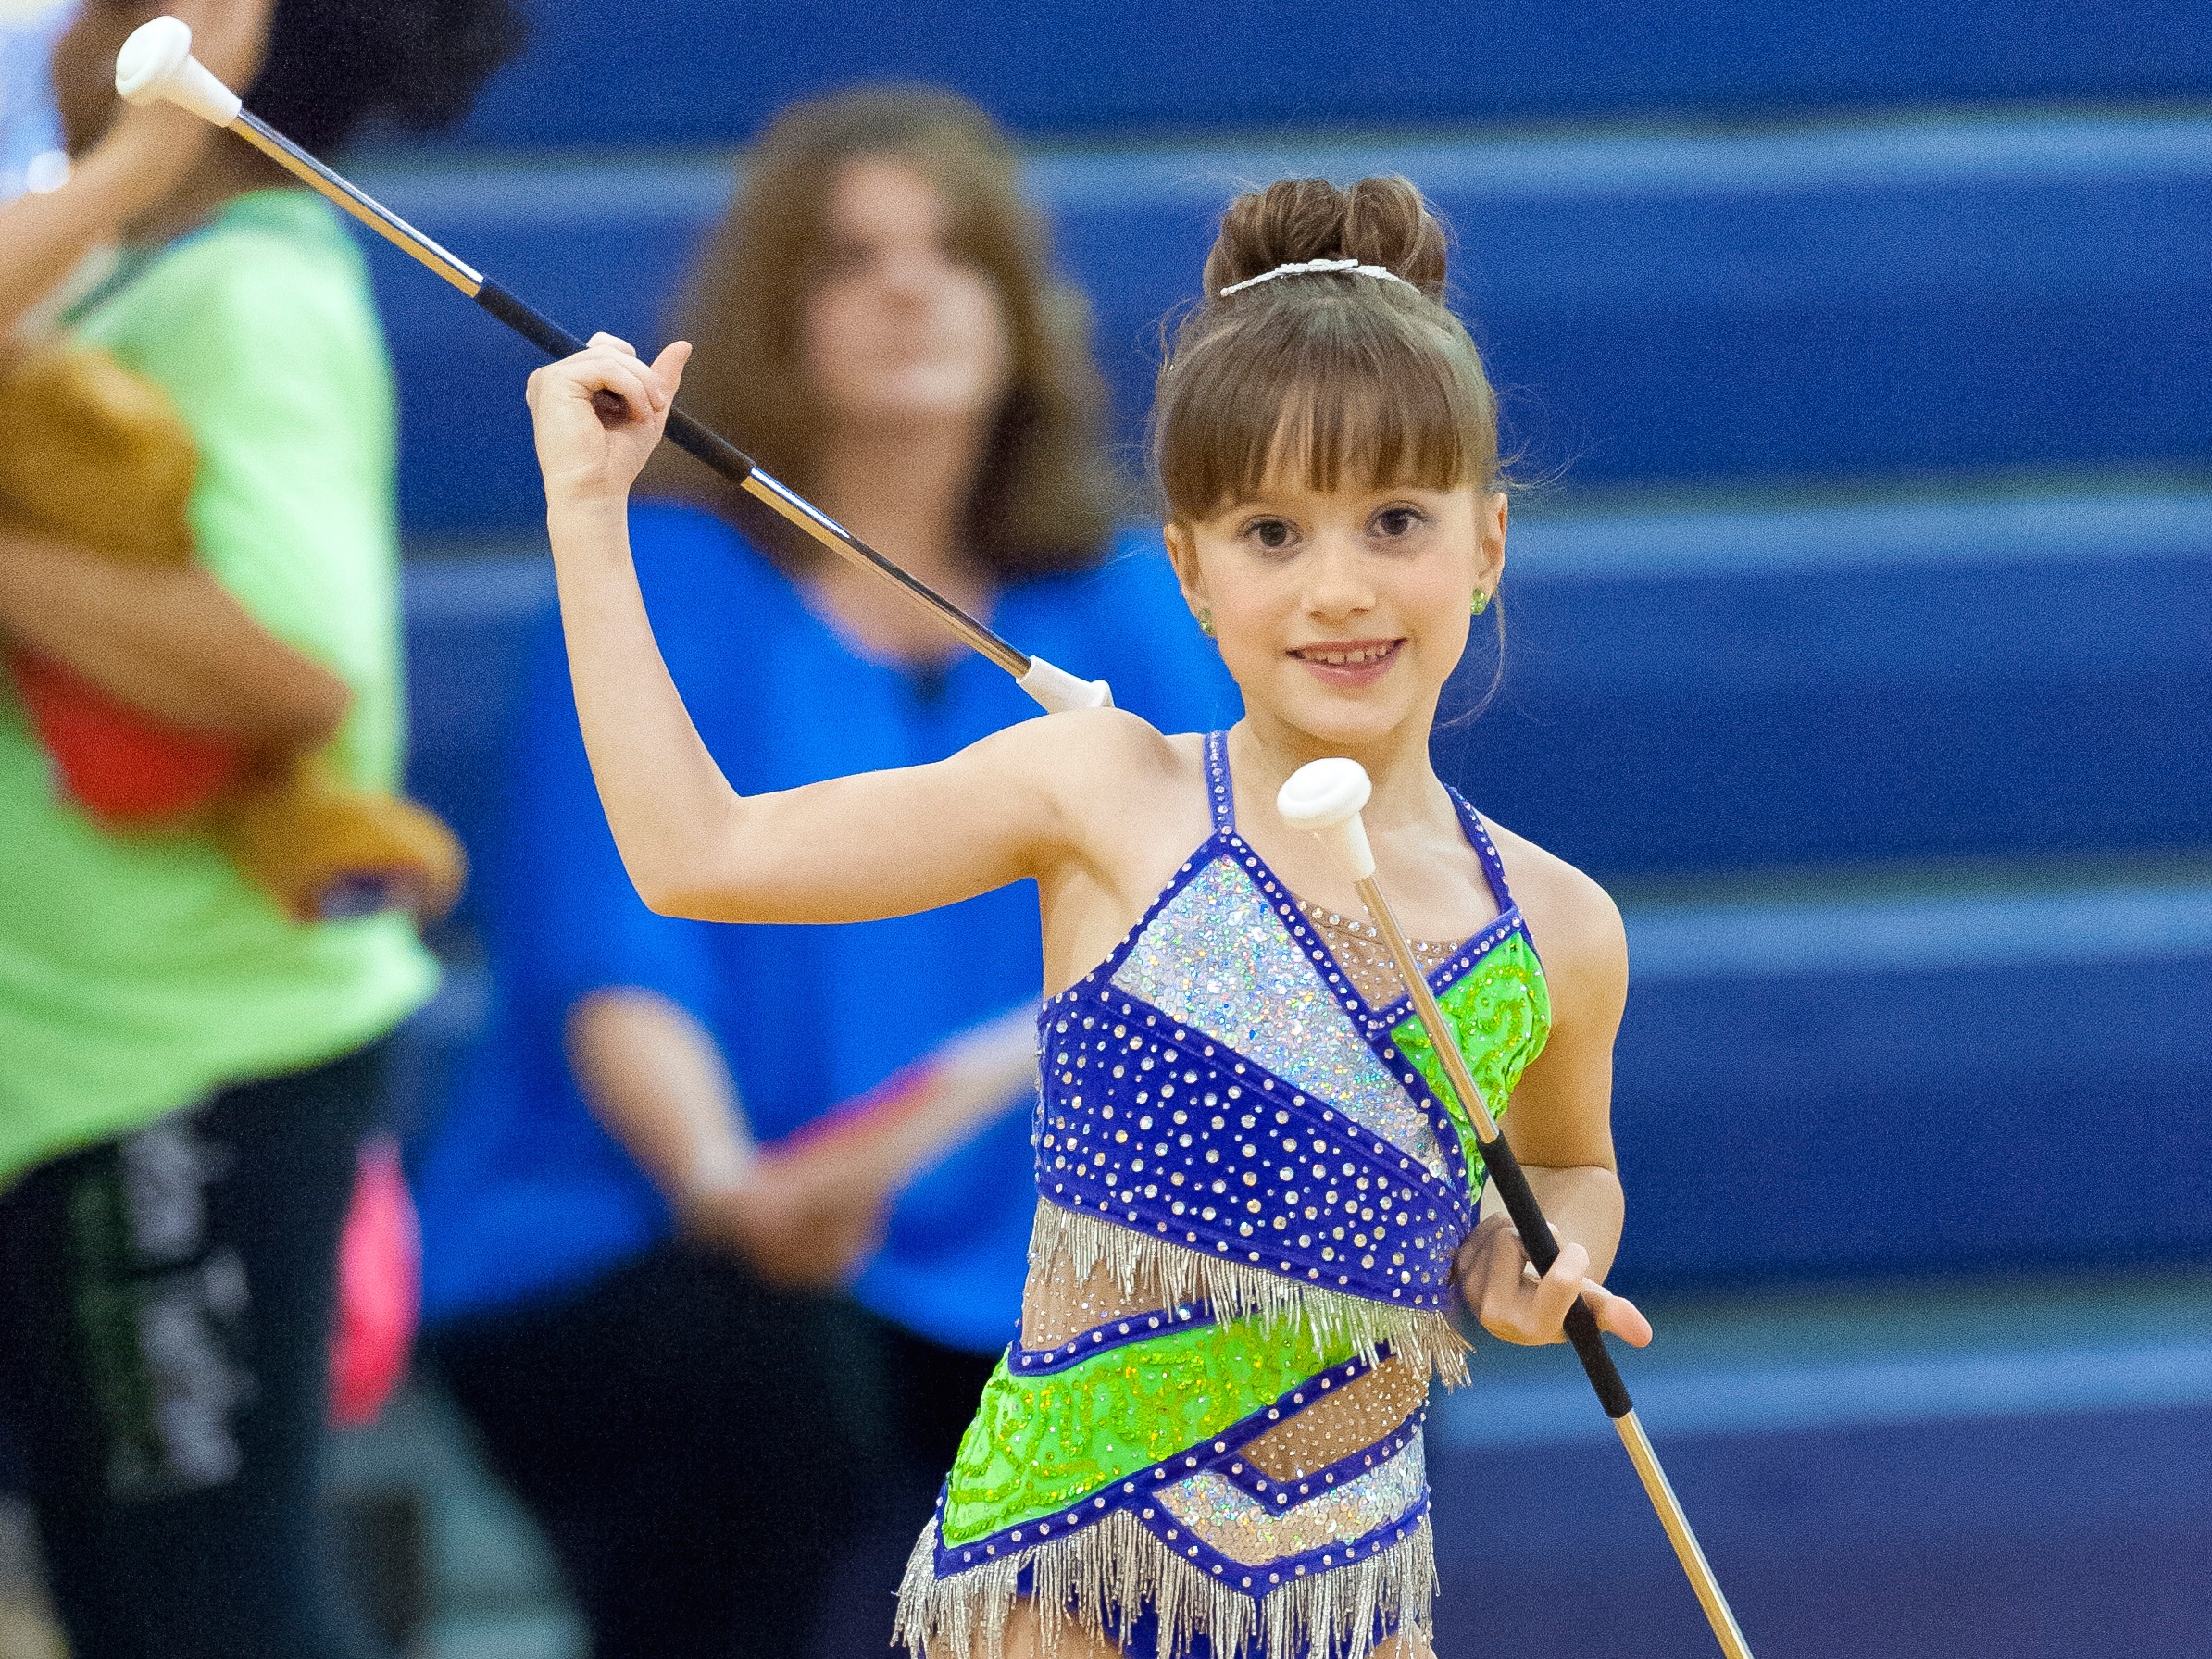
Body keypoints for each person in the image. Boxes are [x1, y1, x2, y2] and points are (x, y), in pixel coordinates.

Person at [518, 170, 1657, 1659]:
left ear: (1485, 543)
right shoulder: (1099, 792)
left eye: (1393, 520)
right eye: (1269, 534)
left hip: (1353, 1589)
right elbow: (702, 855)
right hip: (1063, 1581)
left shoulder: (1559, 929)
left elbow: (1567, 1166)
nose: (1335, 589)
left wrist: (1545, 1259)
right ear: (1184, 568)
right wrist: (589, 516)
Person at [408, 89, 1237, 1659]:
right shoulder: (664, 576)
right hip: (653, 1230)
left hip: (1001, 1249)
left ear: (1016, 307)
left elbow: (1204, 943)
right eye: (852, 260)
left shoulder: (1122, 606)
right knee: (771, 1386)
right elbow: (612, 953)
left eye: (952, 256)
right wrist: (731, 1185)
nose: (910, 288)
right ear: (774, 321)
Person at [0, 3, 521, 1656]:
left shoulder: (243, 288)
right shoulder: (145, 279)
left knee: (207, 1606)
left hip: (186, 1065)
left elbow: (293, 670)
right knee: (132, 1594)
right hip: (100, 1060)